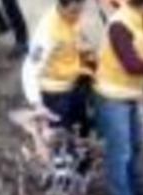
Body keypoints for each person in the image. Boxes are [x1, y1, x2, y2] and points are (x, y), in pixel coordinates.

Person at [94, 0, 143, 195]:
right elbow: (132, 65)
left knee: (134, 146)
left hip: (129, 93)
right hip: (112, 95)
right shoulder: (120, 25)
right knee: (120, 152)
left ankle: (138, 193)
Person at [21, 0, 93, 142]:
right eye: (73, 12)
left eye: (80, 11)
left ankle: (83, 162)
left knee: (81, 137)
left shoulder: (73, 19)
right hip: (55, 96)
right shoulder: (47, 31)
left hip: (74, 87)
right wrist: (37, 104)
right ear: (61, 6)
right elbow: (29, 69)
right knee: (62, 143)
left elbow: (74, 43)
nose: (77, 16)